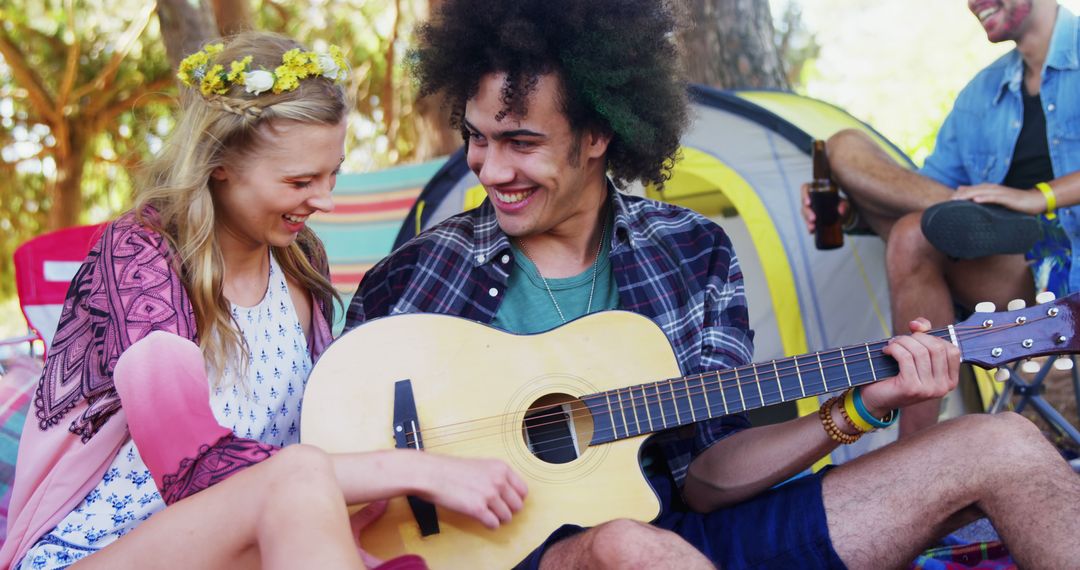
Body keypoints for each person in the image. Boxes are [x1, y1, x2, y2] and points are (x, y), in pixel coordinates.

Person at [347, 1, 1080, 568]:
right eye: (477, 137)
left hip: (693, 533)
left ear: (597, 135)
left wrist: (859, 407)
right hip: (535, 555)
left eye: (521, 142)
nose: (490, 168)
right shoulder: (418, 276)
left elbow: (709, 478)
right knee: (628, 546)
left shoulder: (691, 251)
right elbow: (339, 460)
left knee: (1005, 443)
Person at [0, 32, 526, 570]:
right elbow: (194, 466)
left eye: (333, 174)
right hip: (95, 552)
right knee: (302, 472)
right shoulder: (139, 257)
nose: (323, 200)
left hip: (248, 550)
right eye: (300, 180)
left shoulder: (300, 260)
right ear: (221, 163)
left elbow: (318, 439)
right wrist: (420, 470)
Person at [802, 0, 1080, 436]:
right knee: (845, 147)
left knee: (916, 232)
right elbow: (922, 200)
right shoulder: (981, 94)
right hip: (1010, 269)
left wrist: (1036, 197)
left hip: (1068, 265)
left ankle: (913, 450)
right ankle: (921, 454)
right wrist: (855, 212)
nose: (974, 3)